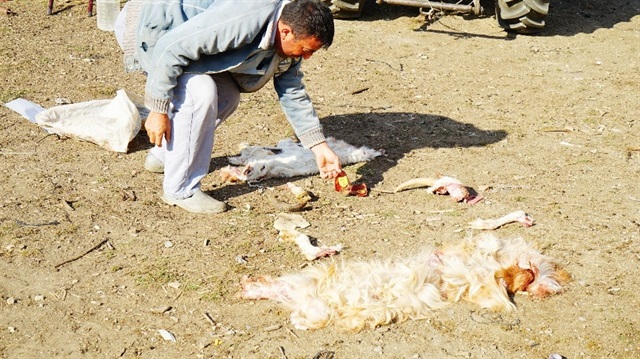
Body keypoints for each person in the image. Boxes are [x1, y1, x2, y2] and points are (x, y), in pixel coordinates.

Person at [115, 0, 342, 214]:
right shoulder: (245, 17)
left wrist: (318, 146)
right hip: (151, 28)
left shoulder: (291, 30)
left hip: (183, 39)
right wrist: (158, 109)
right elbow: (171, 47)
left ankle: (164, 155)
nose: (307, 57)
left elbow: (292, 90)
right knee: (201, 93)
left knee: (227, 95)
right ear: (285, 32)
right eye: (306, 50)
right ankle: (180, 190)